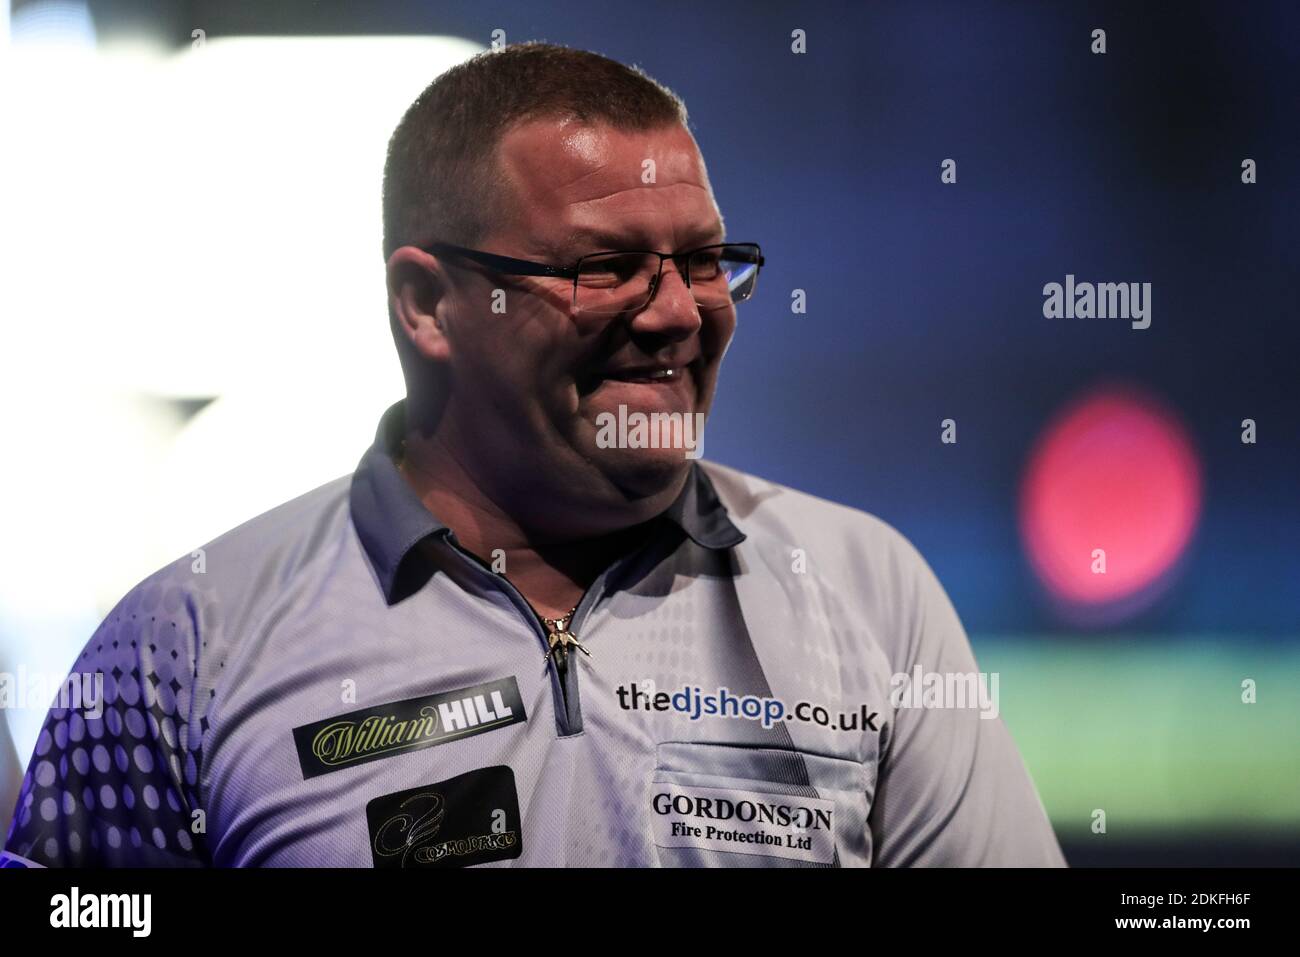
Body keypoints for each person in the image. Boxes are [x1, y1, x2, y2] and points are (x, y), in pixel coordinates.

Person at [2, 42, 1063, 867]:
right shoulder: (186, 647)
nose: (676, 316)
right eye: (605, 268)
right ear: (428, 304)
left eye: (702, 261)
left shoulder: (863, 589)